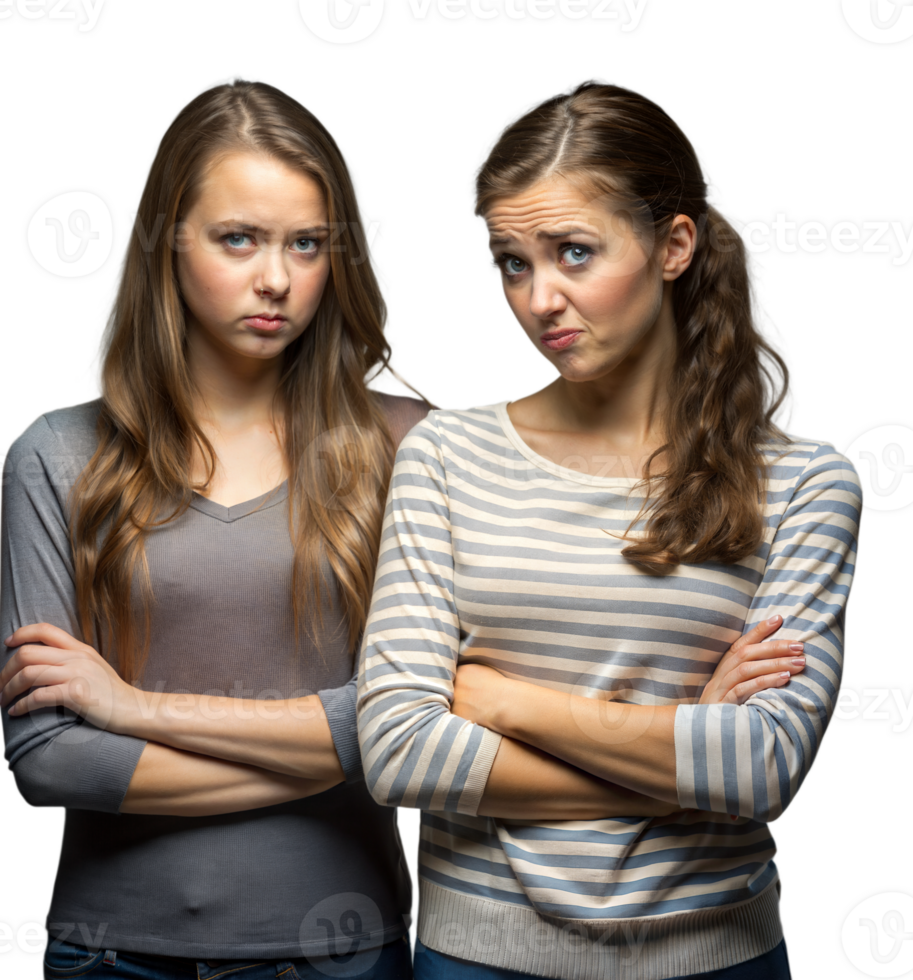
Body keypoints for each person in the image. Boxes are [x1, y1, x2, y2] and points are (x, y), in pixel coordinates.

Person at [355, 76, 862, 980]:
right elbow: (398, 747)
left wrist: (512, 703)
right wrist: (682, 741)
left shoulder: (802, 483)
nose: (539, 297)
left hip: (719, 961)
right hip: (481, 961)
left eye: (574, 252)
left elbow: (764, 767)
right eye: (512, 262)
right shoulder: (446, 454)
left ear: (673, 245)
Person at [0, 73, 434, 979]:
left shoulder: (411, 444)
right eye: (240, 239)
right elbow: (48, 759)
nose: (276, 277)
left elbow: (407, 728)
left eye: (307, 244)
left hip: (341, 952)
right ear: (165, 246)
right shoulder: (58, 452)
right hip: (108, 954)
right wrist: (322, 759)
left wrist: (129, 708)